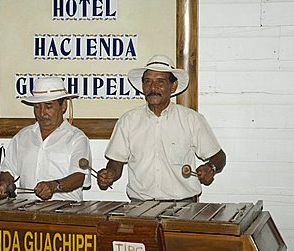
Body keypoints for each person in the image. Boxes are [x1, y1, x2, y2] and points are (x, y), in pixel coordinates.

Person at [97, 54, 226, 201]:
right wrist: (110, 173)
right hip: (140, 207)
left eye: (160, 82)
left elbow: (219, 157)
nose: (153, 88)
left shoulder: (191, 119)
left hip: (184, 206)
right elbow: (116, 162)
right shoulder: (128, 120)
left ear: (173, 86)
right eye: (148, 82)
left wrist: (211, 168)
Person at [0, 76, 91, 201]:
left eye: (49, 106)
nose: (42, 113)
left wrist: (54, 186)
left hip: (65, 212)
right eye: (37, 107)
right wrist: (4, 182)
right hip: (26, 210)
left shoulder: (77, 138)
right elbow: (8, 170)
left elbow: (79, 177)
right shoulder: (22, 137)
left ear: (63, 106)